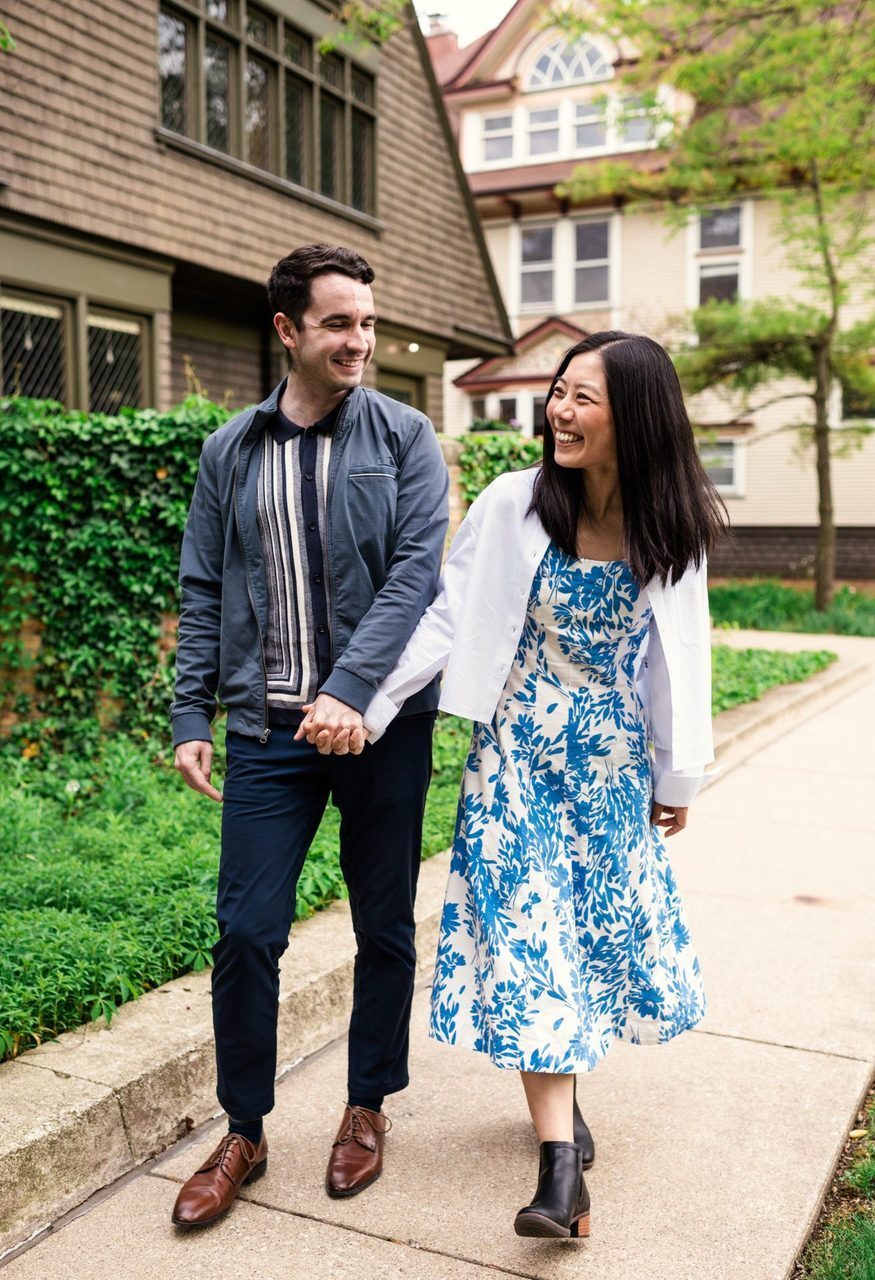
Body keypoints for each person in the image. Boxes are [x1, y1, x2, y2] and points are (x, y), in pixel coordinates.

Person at [356, 331, 724, 1239]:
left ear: (634, 418)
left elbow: (680, 662)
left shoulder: (669, 527)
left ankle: (561, 1101)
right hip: (514, 755)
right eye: (557, 391)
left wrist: (676, 777)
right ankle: (560, 1176)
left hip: (607, 766)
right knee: (528, 939)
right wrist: (367, 703)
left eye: (581, 398)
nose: (558, 409)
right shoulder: (512, 502)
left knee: (581, 939)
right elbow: (448, 616)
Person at [169, 243, 449, 1229]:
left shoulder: (406, 435)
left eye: (366, 322)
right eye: (338, 324)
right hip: (267, 729)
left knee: (383, 924)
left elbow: (416, 573)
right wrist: (189, 710)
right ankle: (243, 1128)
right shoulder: (229, 450)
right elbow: (204, 583)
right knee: (246, 929)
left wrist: (350, 691)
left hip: (381, 728)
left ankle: (366, 1103)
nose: (359, 341)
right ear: (287, 330)